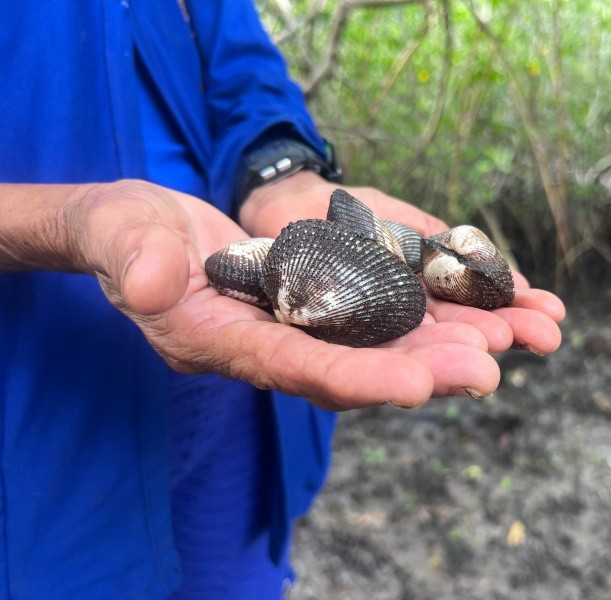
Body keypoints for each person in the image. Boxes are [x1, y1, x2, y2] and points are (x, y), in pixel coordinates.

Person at [0, 1, 564, 598]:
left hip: (248, 410)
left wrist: (282, 171)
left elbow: (247, 71)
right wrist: (59, 222)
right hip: (48, 431)